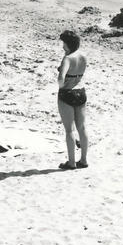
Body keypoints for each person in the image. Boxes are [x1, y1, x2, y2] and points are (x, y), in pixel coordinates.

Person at [55, 30, 88, 170]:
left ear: (68, 44)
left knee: (69, 130)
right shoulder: (83, 55)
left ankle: (71, 162)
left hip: (67, 94)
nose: (62, 46)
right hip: (80, 92)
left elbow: (61, 78)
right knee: (82, 127)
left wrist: (62, 86)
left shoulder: (67, 59)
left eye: (64, 43)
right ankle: (84, 160)